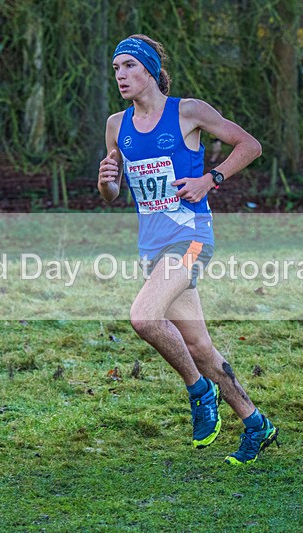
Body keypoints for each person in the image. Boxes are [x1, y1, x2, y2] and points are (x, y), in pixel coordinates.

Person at [97, 34, 279, 466]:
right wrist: (107, 183)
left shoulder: (188, 111)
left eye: (129, 66)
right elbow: (113, 192)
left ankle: (199, 391)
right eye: (116, 68)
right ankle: (256, 424)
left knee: (144, 317)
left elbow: (250, 146)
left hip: (192, 237)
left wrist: (210, 179)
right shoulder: (116, 125)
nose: (121, 75)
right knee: (198, 346)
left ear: (149, 70)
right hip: (152, 247)